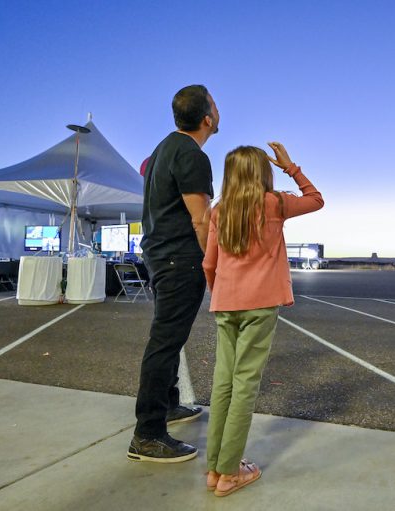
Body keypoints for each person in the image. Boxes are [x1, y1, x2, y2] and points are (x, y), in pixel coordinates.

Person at [202, 142, 323, 497]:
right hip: (260, 306)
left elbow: (209, 264)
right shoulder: (274, 203)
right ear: (262, 172)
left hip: (226, 305)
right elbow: (316, 199)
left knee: (223, 382)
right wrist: (291, 167)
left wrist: (220, 293)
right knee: (244, 385)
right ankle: (229, 472)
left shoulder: (219, 210)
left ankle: (214, 467)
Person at [127, 85, 219, 463]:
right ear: (208, 119)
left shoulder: (163, 149)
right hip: (179, 259)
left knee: (169, 338)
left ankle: (168, 405)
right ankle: (147, 434)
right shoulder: (192, 155)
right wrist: (214, 266)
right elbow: (201, 219)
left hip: (160, 255)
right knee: (165, 342)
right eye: (215, 104)